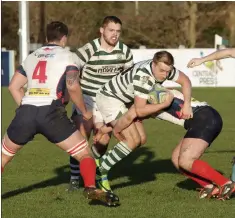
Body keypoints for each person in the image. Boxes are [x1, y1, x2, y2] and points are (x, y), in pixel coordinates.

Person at [1, 21, 119, 206]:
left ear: (47, 38)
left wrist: (26, 109)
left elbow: (14, 86)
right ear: (64, 38)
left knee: (3, 157)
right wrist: (84, 111)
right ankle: (90, 188)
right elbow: (72, 85)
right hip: (52, 113)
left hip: (26, 112)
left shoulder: (32, 57)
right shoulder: (68, 56)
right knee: (84, 154)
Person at [94, 50, 193, 192]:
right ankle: (100, 169)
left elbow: (185, 81)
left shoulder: (163, 68)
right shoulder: (143, 77)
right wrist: (164, 104)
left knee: (141, 139)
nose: (164, 75)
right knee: (132, 140)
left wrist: (187, 105)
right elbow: (139, 110)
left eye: (167, 72)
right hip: (110, 98)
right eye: (162, 71)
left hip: (125, 100)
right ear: (153, 63)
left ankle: (101, 144)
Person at [111, 87, 235, 200]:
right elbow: (131, 118)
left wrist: (115, 130)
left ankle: (226, 183)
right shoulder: (144, 99)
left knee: (186, 161)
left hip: (204, 117)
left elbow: (130, 116)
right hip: (199, 121)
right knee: (177, 159)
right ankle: (209, 186)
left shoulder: (150, 95)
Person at [68, 15, 134, 191]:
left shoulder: (125, 52)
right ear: (102, 30)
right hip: (87, 97)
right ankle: (75, 179)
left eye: (118, 31)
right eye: (111, 30)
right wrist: (72, 94)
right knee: (81, 138)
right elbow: (72, 70)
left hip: (109, 100)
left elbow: (129, 78)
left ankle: (94, 168)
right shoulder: (88, 49)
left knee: (103, 140)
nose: (115, 35)